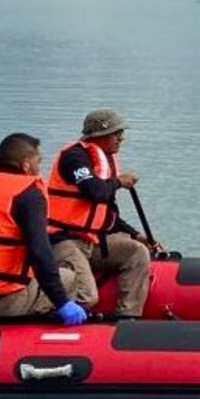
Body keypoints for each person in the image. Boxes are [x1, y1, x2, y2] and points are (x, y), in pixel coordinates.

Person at [0, 133, 87, 325]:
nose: (39, 169)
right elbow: (40, 254)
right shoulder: (28, 194)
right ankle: (44, 332)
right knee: (68, 277)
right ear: (26, 165)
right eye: (38, 162)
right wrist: (62, 302)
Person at [48, 109, 155, 318]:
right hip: (63, 241)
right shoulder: (74, 158)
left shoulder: (104, 161)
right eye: (117, 133)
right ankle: (45, 317)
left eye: (121, 133)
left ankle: (127, 317)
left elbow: (106, 214)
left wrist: (135, 234)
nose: (121, 138)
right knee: (87, 297)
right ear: (99, 134)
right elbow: (95, 191)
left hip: (91, 241)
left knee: (136, 252)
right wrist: (118, 182)